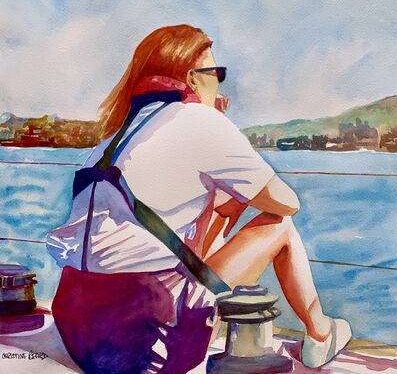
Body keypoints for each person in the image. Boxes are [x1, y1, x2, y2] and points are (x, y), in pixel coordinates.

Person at [47, 24, 351, 373]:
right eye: (216, 73)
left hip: (80, 335)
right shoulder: (199, 120)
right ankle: (320, 334)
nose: (219, 82)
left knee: (226, 203)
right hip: (149, 343)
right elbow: (286, 202)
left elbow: (182, 238)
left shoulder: (116, 136)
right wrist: (220, 129)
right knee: (279, 226)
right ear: (193, 79)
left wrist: (227, 193)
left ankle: (317, 332)